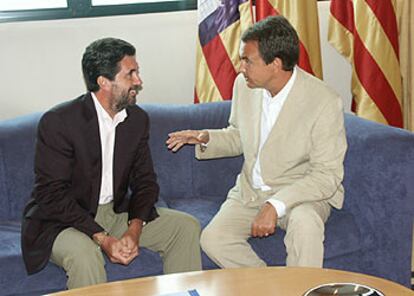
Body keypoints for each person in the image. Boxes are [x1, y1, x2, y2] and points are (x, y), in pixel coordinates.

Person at [167, 16, 347, 268]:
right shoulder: (244, 85)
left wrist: (275, 205)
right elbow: (239, 136)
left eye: (247, 61)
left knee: (306, 224)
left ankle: (302, 288)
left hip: (302, 193)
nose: (240, 68)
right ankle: (268, 287)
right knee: (214, 239)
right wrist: (204, 137)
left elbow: (327, 175)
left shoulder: (324, 101)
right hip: (250, 191)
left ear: (275, 64)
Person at [21, 37, 201, 289]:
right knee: (85, 254)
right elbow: (50, 195)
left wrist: (134, 229)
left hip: (114, 213)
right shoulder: (59, 122)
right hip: (62, 220)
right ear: (104, 82)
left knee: (185, 227)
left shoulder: (137, 120)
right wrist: (103, 239)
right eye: (131, 74)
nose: (139, 81)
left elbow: (146, 183)